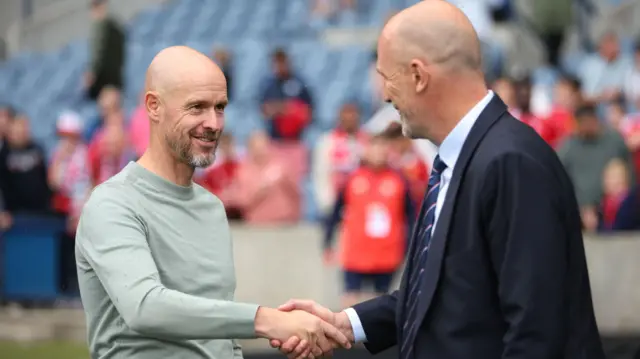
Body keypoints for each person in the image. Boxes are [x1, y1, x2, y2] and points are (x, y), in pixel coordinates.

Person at [271, 2, 604, 359]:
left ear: (418, 75)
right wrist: (345, 323)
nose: (384, 94)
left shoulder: (511, 162)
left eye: (387, 76)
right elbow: (444, 293)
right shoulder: (465, 158)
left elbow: (537, 333)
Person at [75, 46, 350, 359]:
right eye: (197, 107)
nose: (214, 123)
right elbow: (145, 307)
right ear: (153, 106)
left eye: (220, 107)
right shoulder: (112, 204)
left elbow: (223, 339)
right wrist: (268, 320)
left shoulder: (212, 208)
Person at [324, 134, 414, 308]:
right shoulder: (352, 179)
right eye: (374, 148)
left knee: (381, 301)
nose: (378, 153)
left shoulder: (399, 180)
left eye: (382, 148)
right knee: (350, 299)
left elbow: (410, 218)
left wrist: (408, 247)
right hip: (356, 253)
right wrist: (328, 242)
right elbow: (335, 213)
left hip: (387, 253)